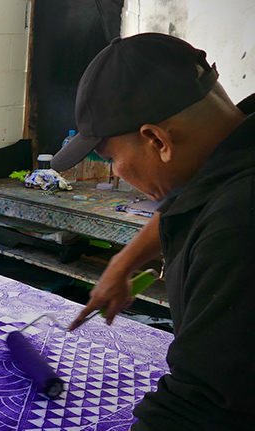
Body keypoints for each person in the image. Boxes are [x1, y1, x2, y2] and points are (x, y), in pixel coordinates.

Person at [50, 33, 255, 429]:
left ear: (157, 139)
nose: (115, 173)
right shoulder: (235, 139)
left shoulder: (238, 226)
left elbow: (203, 404)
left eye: (110, 159)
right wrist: (125, 260)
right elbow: (193, 196)